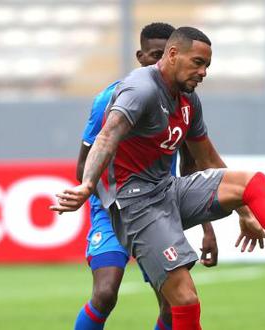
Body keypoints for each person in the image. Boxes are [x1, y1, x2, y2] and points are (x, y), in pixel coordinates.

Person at [52, 27, 265, 329]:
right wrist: (88, 185)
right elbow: (108, 135)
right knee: (181, 299)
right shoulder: (140, 89)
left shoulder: (187, 99)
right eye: (198, 63)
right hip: (134, 202)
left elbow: (207, 160)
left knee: (251, 182)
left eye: (207, 66)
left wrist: (245, 212)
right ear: (172, 55)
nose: (203, 72)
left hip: (165, 189)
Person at [73, 23, 236, 330]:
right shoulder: (111, 100)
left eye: (164, 54)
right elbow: (84, 165)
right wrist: (107, 199)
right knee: (106, 293)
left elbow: (193, 167)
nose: (159, 61)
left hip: (157, 207)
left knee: (173, 307)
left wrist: (207, 229)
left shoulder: (182, 102)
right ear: (141, 55)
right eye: (154, 55)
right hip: (112, 208)